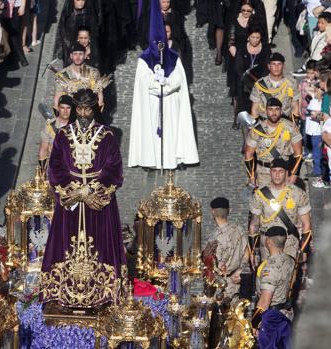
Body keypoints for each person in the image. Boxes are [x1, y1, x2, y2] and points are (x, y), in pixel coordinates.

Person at [40, 89, 126, 307]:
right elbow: (56, 166)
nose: (83, 113)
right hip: (71, 199)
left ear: (94, 108)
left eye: (87, 108)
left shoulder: (107, 135)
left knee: (100, 243)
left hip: (97, 201)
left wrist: (89, 190)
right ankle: (63, 289)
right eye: (79, 108)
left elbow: (113, 167)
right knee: (66, 243)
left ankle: (102, 291)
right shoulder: (63, 135)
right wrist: (73, 191)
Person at [128, 0, 199, 170]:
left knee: (172, 131)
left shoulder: (174, 57)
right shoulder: (144, 59)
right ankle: (151, 161)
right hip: (152, 101)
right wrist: (156, 84)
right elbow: (144, 81)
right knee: (152, 131)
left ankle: (174, 159)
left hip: (170, 101)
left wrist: (165, 85)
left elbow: (178, 79)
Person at [249, 158, 312, 262]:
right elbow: (254, 225)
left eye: (281, 171)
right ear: (270, 172)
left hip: (289, 243)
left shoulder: (298, 194)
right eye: (274, 171)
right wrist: (253, 251)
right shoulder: (259, 195)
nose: (277, 175)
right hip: (267, 245)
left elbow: (307, 224)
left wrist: (304, 250)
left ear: (286, 173)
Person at [244, 98, 303, 187]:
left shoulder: (290, 127)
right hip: (264, 173)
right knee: (264, 199)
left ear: (281, 110)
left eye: (277, 109)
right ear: (266, 111)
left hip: (283, 172)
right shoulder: (257, 130)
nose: (274, 113)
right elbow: (249, 152)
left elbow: (298, 152)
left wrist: (294, 174)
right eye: (270, 109)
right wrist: (251, 176)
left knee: (283, 199)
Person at [251, 226, 294, 348]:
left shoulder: (270, 268)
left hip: (271, 319)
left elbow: (265, 301)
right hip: (286, 313)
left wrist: (254, 323)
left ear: (268, 241)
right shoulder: (289, 260)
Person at [202, 197, 248, 299]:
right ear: (228, 211)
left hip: (219, 286)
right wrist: (239, 272)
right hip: (235, 281)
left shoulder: (215, 237)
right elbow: (246, 255)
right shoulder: (239, 229)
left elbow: (211, 263)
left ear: (213, 212)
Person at [234, 27, 270, 126]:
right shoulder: (242, 48)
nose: (255, 40)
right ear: (248, 37)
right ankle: (239, 118)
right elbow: (238, 67)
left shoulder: (265, 49)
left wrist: (260, 80)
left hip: (259, 81)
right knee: (242, 102)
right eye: (252, 37)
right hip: (244, 81)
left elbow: (267, 67)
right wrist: (246, 80)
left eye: (257, 38)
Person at [250, 52, 300, 120]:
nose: (276, 67)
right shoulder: (260, 84)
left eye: (279, 64)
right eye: (273, 64)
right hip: (265, 123)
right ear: (269, 66)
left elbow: (295, 106)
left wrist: (294, 124)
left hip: (284, 123)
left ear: (283, 66)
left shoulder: (291, 83)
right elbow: (254, 108)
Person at [38, 95, 75, 170]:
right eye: (62, 108)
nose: (65, 111)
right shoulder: (50, 127)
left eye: (68, 108)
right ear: (58, 108)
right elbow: (43, 150)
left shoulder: (77, 126)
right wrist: (42, 171)